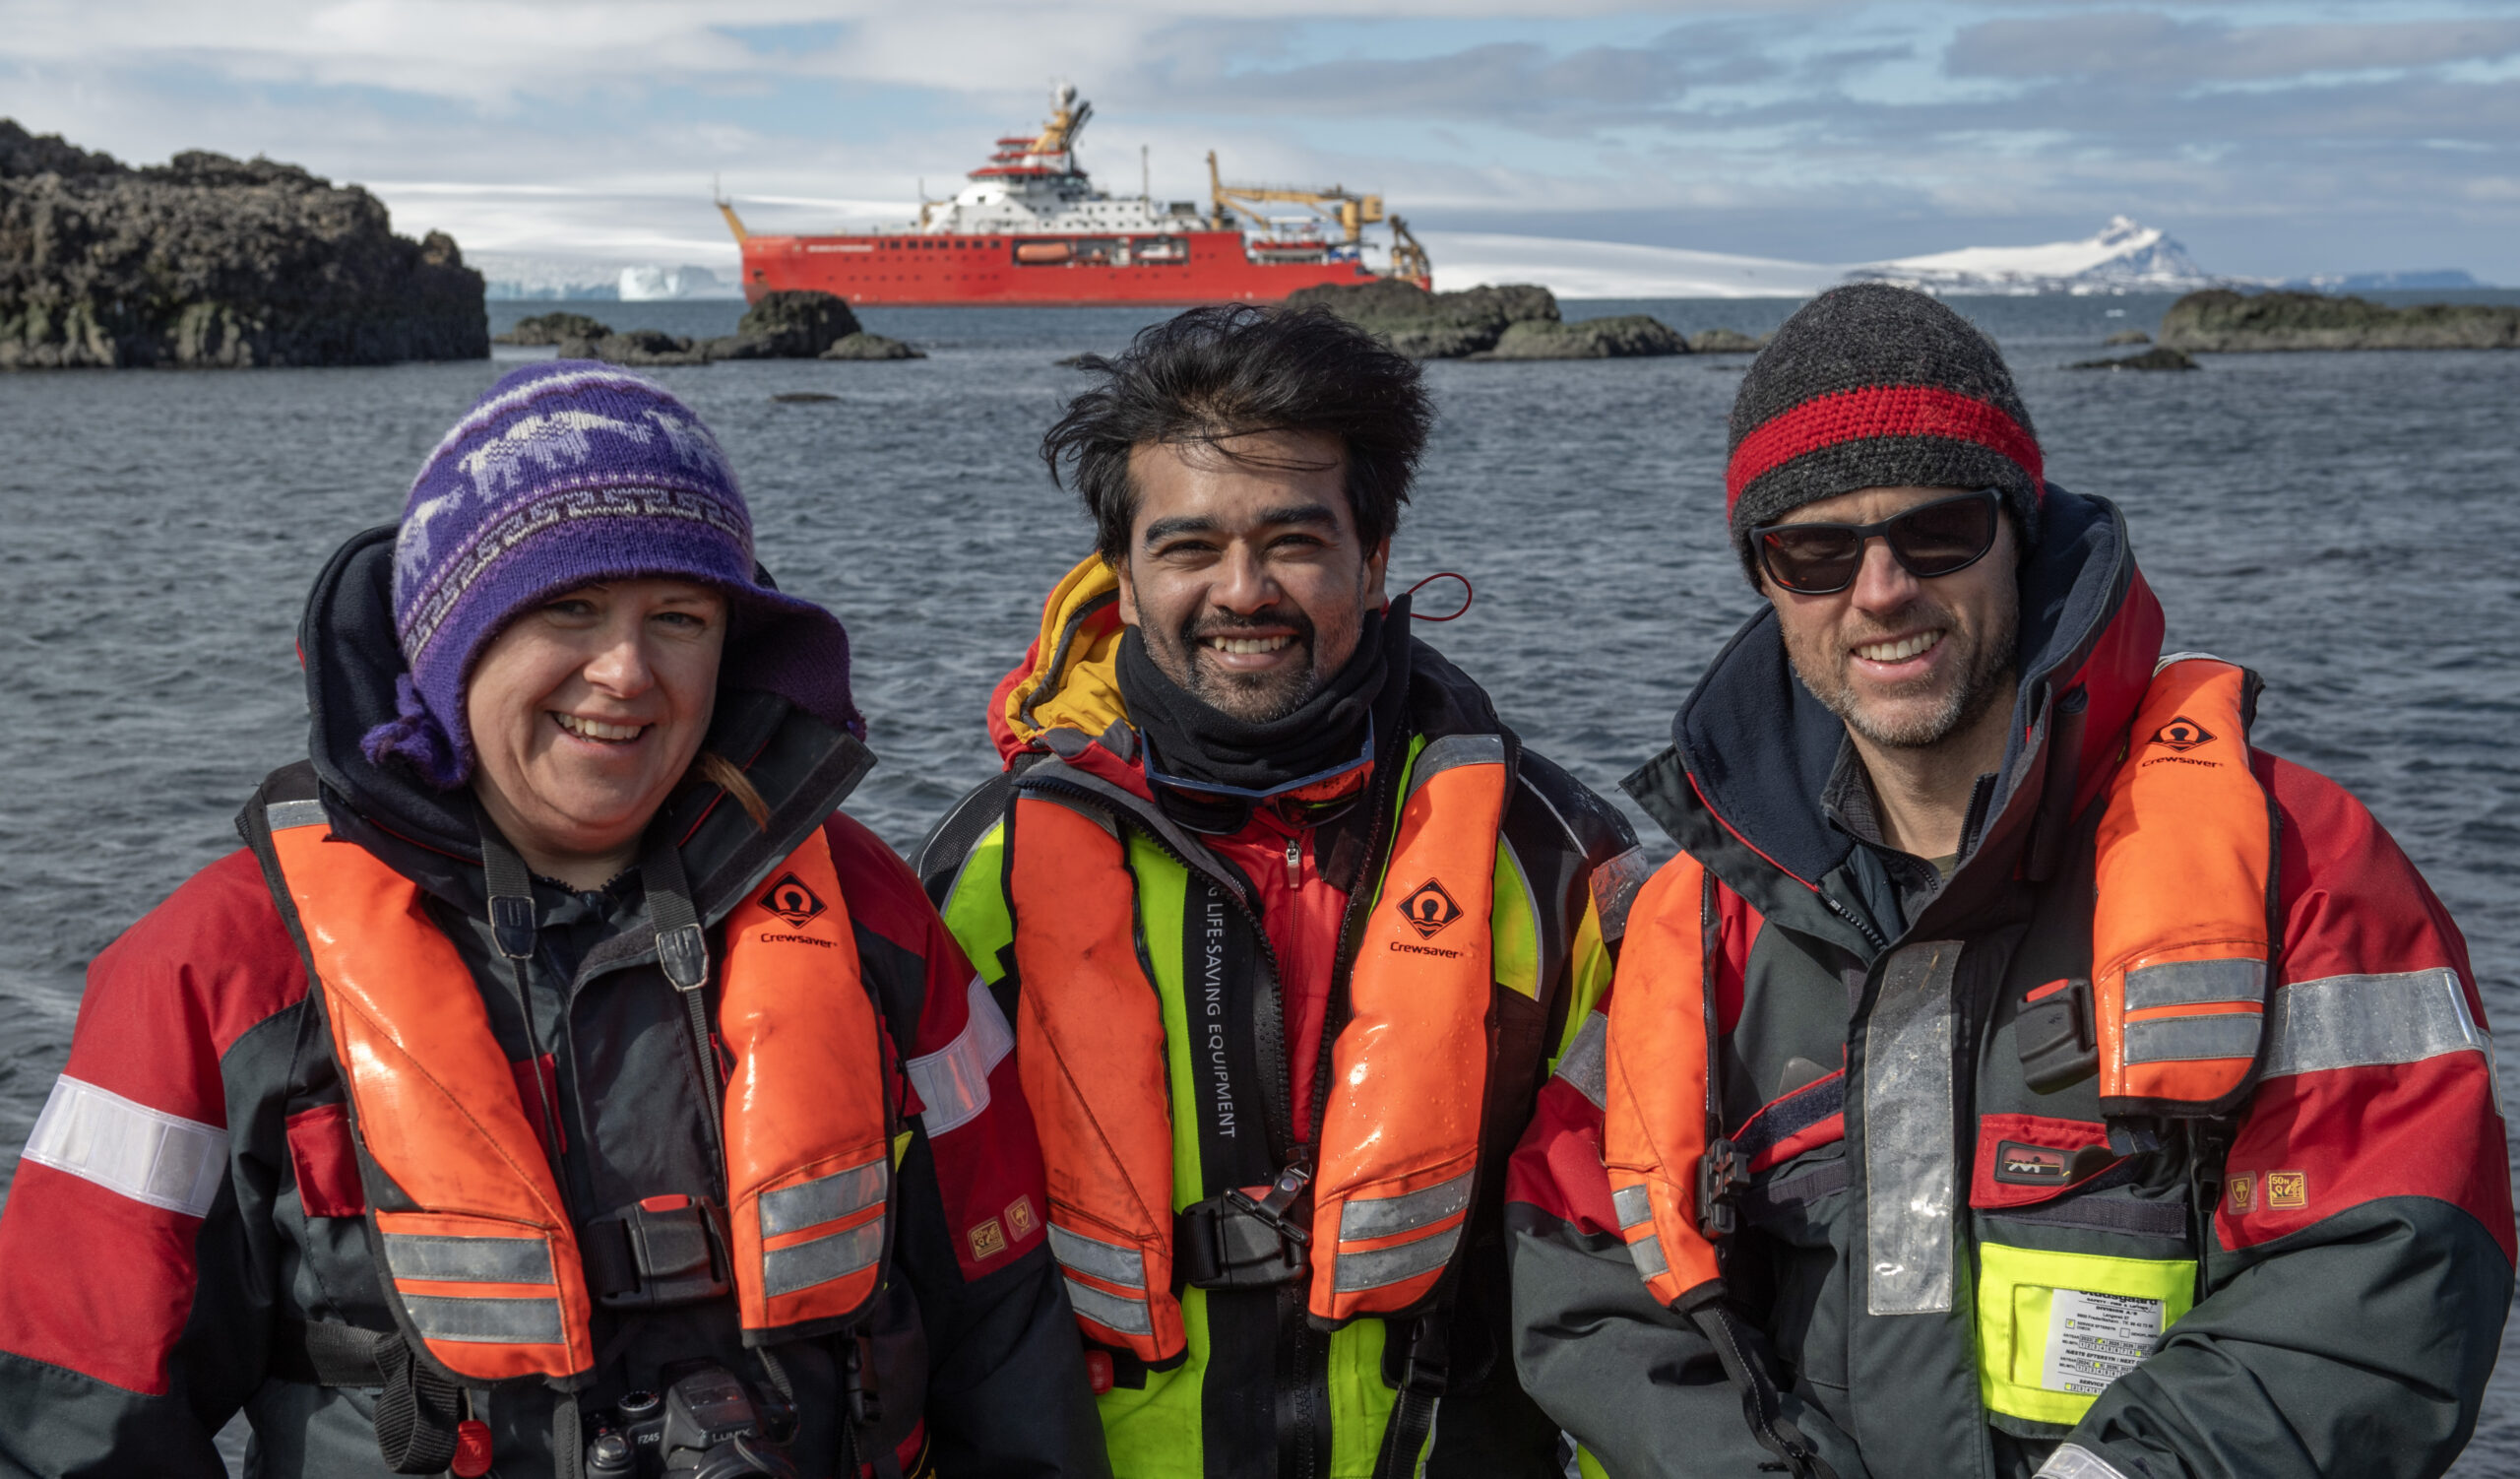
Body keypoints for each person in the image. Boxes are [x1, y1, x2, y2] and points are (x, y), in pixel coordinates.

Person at [0, 362, 1108, 1479]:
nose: (625, 671)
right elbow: (82, 1409)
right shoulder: (224, 964)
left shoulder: (870, 913)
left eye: (678, 616)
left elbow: (1006, 1332)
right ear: (447, 646)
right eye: (566, 606)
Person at [1507, 285, 2513, 1479]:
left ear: (2019, 532)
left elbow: (2386, 1255)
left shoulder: (2295, 859)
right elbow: (1577, 1262)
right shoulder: (1695, 923)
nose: (1880, 588)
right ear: (1766, 581)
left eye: (1936, 531)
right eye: (1816, 549)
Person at [914, 305, 1642, 1479]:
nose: (1241, 589)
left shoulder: (1551, 858)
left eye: (1293, 541)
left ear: (1375, 554)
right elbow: (917, 1273)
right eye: (1188, 545)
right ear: (1121, 572)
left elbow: (1636, 1256)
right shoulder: (980, 872)